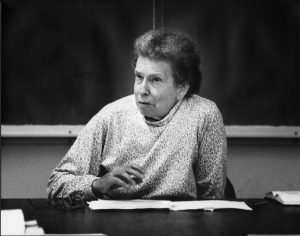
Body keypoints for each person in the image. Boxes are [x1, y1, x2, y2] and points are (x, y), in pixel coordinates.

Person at [47, 28, 227, 204]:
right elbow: (57, 183)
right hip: (117, 225)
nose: (142, 90)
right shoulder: (112, 116)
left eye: (155, 80)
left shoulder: (204, 115)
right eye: (139, 77)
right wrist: (97, 185)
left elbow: (213, 199)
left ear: (182, 88)